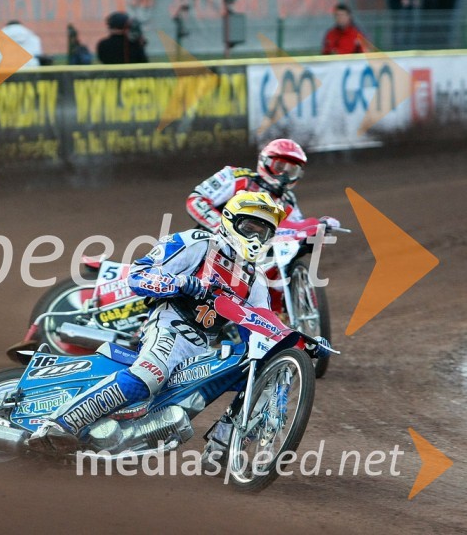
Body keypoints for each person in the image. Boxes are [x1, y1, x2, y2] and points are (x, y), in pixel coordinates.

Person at [28, 192, 328, 457]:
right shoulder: (197, 243)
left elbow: (264, 325)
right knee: (151, 375)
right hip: (169, 324)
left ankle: (223, 444)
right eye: (250, 227)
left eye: (264, 232)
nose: (256, 237)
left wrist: (302, 342)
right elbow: (139, 275)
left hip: (201, 344)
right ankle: (61, 423)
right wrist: (182, 283)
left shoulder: (256, 281)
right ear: (230, 221)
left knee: (259, 368)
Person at [186, 138, 314, 232]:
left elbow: (296, 230)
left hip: (254, 260)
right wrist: (223, 227)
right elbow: (196, 200)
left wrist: (316, 229)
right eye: (279, 167)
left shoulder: (288, 201)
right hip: (211, 247)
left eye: (291, 171)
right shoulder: (238, 177)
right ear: (266, 162)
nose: (284, 176)